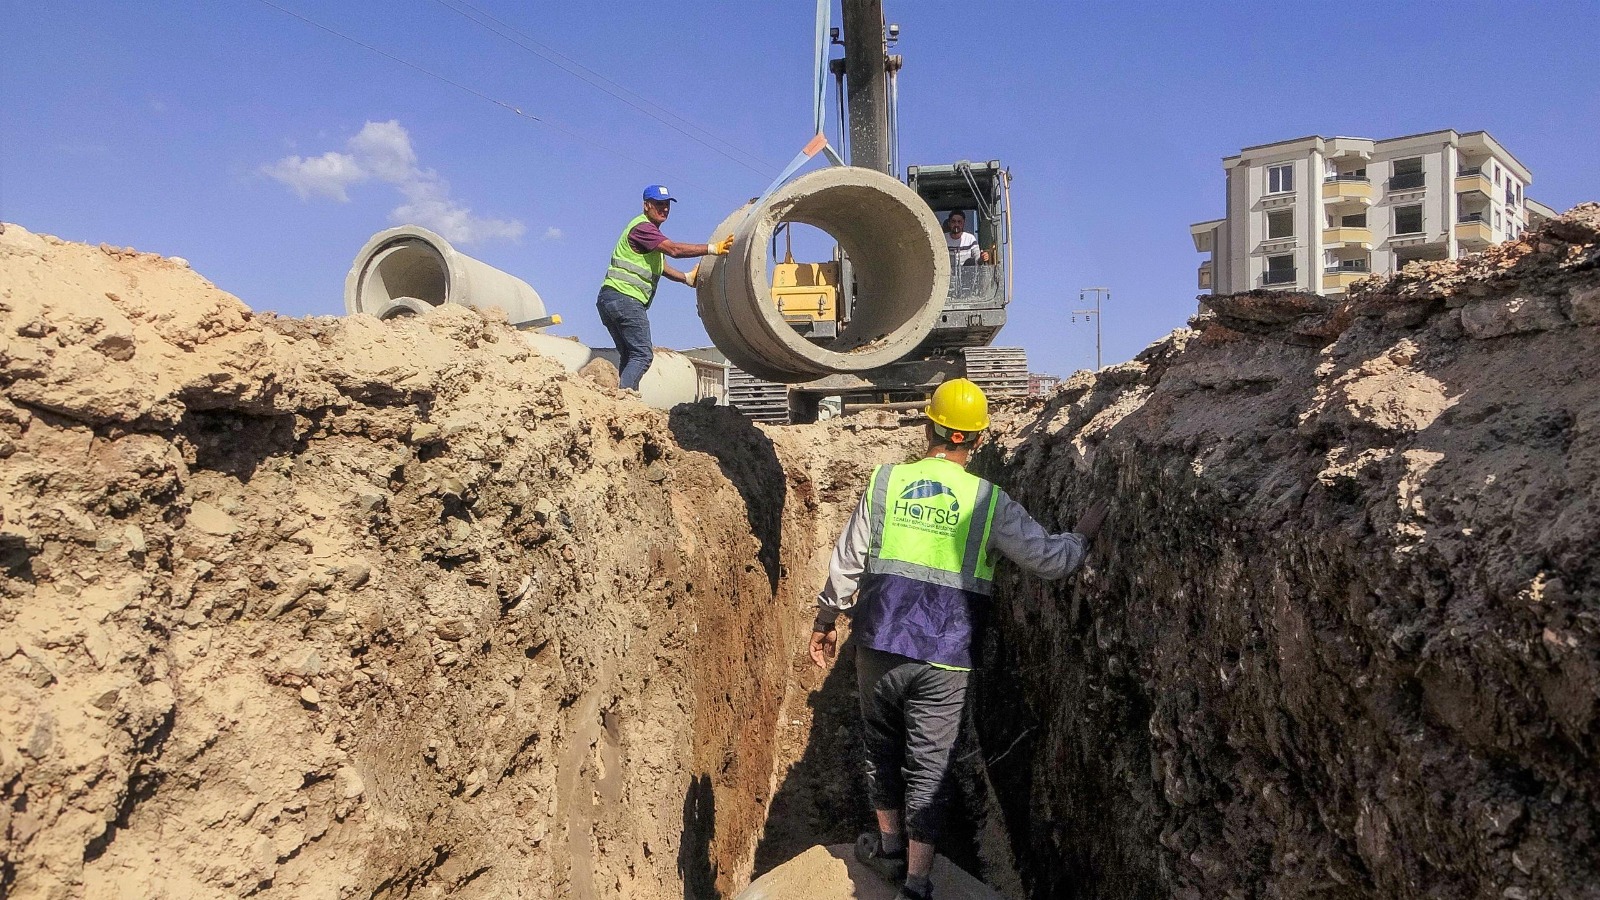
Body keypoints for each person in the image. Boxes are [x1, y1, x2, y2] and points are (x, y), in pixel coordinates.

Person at [808, 378, 1107, 900]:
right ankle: (918, 882)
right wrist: (1081, 534)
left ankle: (888, 846)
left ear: (928, 427)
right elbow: (1051, 561)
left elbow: (847, 562)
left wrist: (825, 621)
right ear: (976, 440)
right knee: (930, 764)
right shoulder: (988, 501)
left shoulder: (884, 483)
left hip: (878, 641)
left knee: (881, 747)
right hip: (945, 655)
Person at [597, 184, 733, 391]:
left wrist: (686, 278)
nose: (665, 209)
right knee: (643, 354)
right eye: (659, 204)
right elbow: (675, 250)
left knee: (631, 355)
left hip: (610, 300)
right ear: (646, 205)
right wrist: (713, 248)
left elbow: (661, 267)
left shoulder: (650, 239)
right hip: (626, 299)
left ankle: (624, 400)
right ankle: (622, 398)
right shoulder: (643, 228)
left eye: (667, 205)